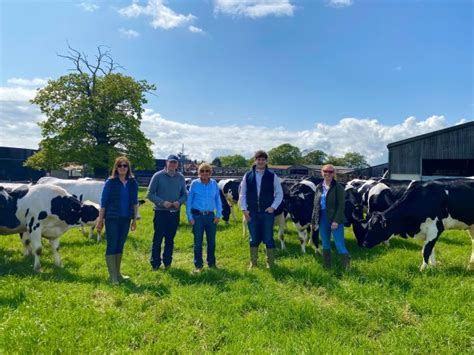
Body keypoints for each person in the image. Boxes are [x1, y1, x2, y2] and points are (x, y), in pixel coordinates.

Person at [96, 156, 139, 284]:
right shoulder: (110, 182)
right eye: (120, 165)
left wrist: (135, 219)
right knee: (112, 244)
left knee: (120, 245)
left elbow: (135, 202)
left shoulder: (133, 183)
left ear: (128, 168)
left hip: (126, 218)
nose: (122, 168)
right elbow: (103, 202)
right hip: (112, 218)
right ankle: (112, 276)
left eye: (125, 165)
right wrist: (100, 220)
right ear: (116, 167)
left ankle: (118, 273)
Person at [239, 150, 283, 269]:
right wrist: (244, 209)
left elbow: (279, 193)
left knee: (268, 237)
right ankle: (253, 263)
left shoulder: (272, 175)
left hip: (266, 212)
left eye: (263, 159)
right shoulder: (248, 175)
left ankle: (270, 262)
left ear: (266, 161)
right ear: (255, 160)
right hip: (251, 212)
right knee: (253, 238)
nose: (261, 161)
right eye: (259, 159)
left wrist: (273, 207)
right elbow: (242, 194)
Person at [147, 154, 187, 270]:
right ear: (166, 163)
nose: (173, 164)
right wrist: (162, 203)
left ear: (177, 164)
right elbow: (149, 194)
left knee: (170, 239)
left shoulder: (180, 177)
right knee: (158, 238)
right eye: (171, 162)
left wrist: (179, 202)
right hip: (160, 212)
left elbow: (184, 194)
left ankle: (168, 262)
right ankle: (155, 263)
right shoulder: (158, 176)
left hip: (174, 213)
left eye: (175, 162)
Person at [311, 164, 350, 270]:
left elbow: (341, 205)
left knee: (339, 243)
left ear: (334, 174)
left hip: (335, 218)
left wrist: (336, 221)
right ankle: (327, 266)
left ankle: (346, 268)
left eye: (330, 172)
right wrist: (314, 221)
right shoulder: (319, 187)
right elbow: (316, 205)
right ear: (321, 172)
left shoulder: (338, 187)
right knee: (325, 242)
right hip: (322, 218)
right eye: (325, 171)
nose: (328, 173)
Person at [186, 163, 222, 273]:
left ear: (210, 172)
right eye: (202, 171)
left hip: (211, 217)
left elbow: (218, 200)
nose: (205, 173)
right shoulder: (194, 184)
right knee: (198, 243)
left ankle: (211, 263)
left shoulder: (214, 184)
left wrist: (218, 214)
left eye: (207, 171)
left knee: (211, 242)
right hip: (197, 217)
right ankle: (198, 265)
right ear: (199, 173)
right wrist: (190, 216)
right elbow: (189, 201)